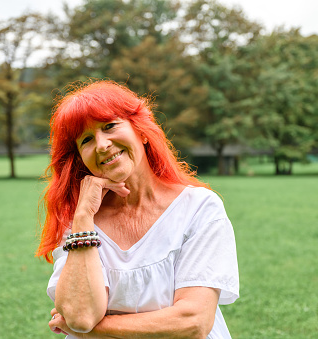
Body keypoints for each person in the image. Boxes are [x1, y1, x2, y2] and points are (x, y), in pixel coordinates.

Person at [36, 80, 239, 338]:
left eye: (109, 126)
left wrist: (94, 332)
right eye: (86, 139)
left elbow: (193, 322)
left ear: (142, 132)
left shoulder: (199, 208)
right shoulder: (78, 222)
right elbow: (81, 315)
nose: (101, 145)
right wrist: (84, 216)